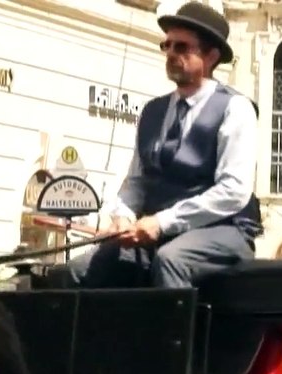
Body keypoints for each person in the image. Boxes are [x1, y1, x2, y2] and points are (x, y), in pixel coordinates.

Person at [71, 2, 261, 289]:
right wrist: (122, 216)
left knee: (171, 259)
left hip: (222, 230)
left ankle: (176, 335)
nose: (171, 54)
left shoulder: (235, 108)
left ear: (211, 56)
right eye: (167, 46)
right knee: (77, 270)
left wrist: (162, 222)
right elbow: (136, 181)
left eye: (182, 47)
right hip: (157, 230)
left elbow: (233, 191)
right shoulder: (153, 111)